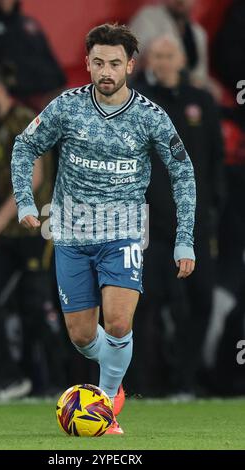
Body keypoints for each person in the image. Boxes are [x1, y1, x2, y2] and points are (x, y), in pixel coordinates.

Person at [11, 23, 196, 434]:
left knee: (117, 323)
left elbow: (182, 172)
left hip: (124, 231)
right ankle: (110, 367)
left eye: (114, 63)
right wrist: (25, 199)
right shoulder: (66, 108)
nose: (105, 71)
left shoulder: (150, 117)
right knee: (80, 336)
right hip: (72, 234)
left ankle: (107, 401)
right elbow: (25, 145)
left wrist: (185, 240)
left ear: (130, 65)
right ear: (88, 64)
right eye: (98, 63)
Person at [130, 35, 225, 396]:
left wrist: (214, 205)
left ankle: (184, 382)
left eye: (170, 56)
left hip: (196, 225)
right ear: (149, 61)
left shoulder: (201, 102)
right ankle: (141, 387)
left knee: (201, 301)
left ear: (182, 59)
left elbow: (216, 158)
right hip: (150, 225)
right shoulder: (137, 103)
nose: (164, 62)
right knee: (145, 306)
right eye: (157, 56)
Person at [0, 65, 65, 398]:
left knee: (36, 309)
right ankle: (11, 376)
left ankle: (55, 383)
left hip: (37, 230)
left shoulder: (24, 120)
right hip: (11, 232)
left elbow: (33, 177)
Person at [129, 0, 208, 87]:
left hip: (187, 93)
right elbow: (133, 61)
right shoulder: (147, 18)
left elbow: (201, 76)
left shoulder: (199, 33)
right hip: (152, 89)